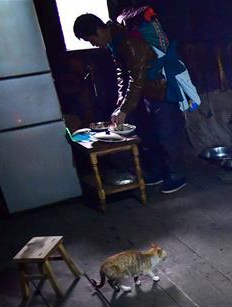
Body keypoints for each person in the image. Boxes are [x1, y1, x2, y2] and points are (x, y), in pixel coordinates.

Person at [73, 11, 188, 194]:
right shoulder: (114, 42)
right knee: (151, 135)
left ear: (99, 30)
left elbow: (137, 78)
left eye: (90, 39)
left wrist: (125, 109)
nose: (92, 43)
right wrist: (121, 105)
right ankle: (160, 171)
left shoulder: (127, 41)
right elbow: (122, 73)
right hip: (148, 92)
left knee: (167, 134)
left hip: (162, 89)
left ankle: (176, 175)